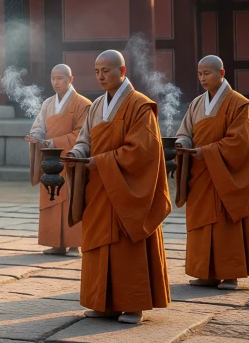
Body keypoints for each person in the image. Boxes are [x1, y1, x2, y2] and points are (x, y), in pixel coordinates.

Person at [68, 50, 171, 325]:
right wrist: (78, 153)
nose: (100, 76)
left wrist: (100, 162)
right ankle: (103, 302)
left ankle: (132, 304)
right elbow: (85, 139)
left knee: (128, 244)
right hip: (99, 188)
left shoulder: (140, 106)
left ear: (122, 72)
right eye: (96, 71)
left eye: (106, 70)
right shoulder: (96, 106)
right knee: (99, 245)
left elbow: (143, 151)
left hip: (128, 189)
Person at [174, 55, 249, 290]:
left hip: (226, 174)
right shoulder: (196, 104)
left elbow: (241, 142)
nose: (203, 78)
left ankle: (230, 273)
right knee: (202, 225)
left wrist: (207, 152)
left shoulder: (238, 104)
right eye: (200, 74)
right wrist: (182, 143)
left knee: (227, 222)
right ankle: (206, 272)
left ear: (221, 74)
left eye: (208, 73)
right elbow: (185, 131)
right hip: (201, 173)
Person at [25, 64, 92, 255]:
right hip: (51, 160)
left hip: (71, 159)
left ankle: (74, 244)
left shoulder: (82, 104)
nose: (55, 82)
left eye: (60, 78)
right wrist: (36, 138)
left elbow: (81, 134)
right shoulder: (47, 103)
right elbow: (39, 125)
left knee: (72, 198)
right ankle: (56, 242)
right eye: (53, 78)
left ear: (70, 79)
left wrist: (52, 141)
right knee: (51, 199)